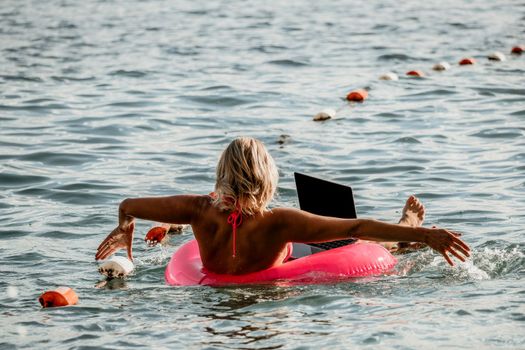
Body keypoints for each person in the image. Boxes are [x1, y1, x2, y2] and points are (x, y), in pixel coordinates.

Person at [95, 137, 470, 275]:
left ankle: (409, 229)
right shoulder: (280, 222)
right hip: (276, 284)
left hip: (214, 304)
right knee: (349, 245)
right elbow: (357, 228)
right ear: (267, 178)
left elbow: (128, 205)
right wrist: (422, 232)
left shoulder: (197, 209)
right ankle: (406, 227)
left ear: (221, 173)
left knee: (334, 238)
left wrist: (124, 232)